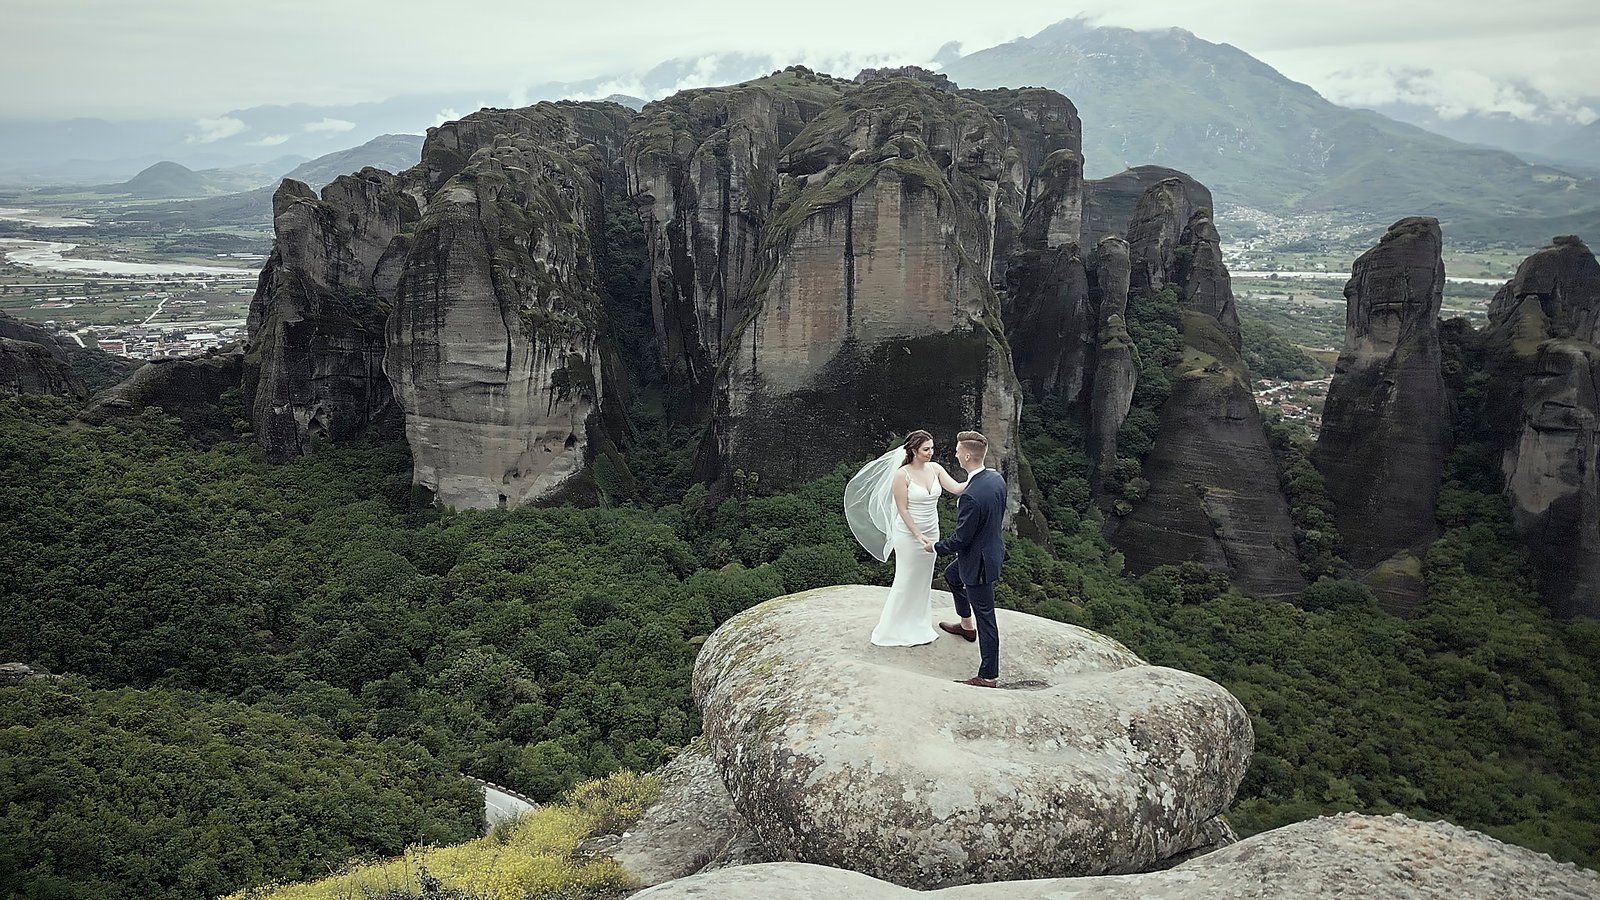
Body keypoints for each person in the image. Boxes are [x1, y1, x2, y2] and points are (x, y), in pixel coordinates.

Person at [844, 430, 969, 646]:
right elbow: (902, 509)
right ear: (913, 450)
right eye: (926, 449)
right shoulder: (902, 474)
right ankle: (892, 628)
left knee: (923, 580)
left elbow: (957, 488)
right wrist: (917, 535)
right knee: (906, 578)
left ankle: (919, 624)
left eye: (932, 448)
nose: (931, 453)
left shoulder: (936, 469)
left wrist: (978, 476)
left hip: (932, 532)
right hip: (908, 535)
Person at [934, 430, 1007, 687]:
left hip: (979, 563)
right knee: (952, 576)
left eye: (956, 451)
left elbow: (961, 539)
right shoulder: (996, 479)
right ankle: (966, 626)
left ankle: (988, 675)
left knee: (986, 617)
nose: (955, 454)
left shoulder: (971, 496)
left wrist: (934, 547)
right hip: (989, 551)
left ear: (966, 456)